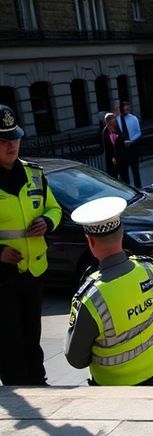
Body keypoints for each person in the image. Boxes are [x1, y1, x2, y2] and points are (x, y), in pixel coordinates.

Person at [61, 198, 153, 386]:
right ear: (122, 233)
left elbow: (76, 359)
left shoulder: (91, 298)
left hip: (113, 387)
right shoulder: (150, 271)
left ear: (90, 241)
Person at [0, 105, 61, 386]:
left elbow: (55, 208)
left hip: (34, 270)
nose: (11, 145)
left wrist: (47, 222)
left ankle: (38, 382)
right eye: (3, 141)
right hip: (2, 276)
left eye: (14, 138)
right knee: (9, 337)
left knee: (32, 334)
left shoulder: (34, 174)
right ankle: (16, 385)